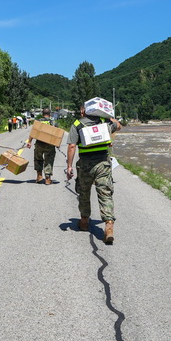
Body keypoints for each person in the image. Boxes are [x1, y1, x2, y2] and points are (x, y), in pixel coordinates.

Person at [66, 103, 122, 243]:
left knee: (84, 192)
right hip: (102, 163)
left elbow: (72, 146)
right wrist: (107, 116)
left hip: (85, 164)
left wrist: (69, 166)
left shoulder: (77, 124)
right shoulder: (104, 122)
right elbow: (119, 125)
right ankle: (109, 226)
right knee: (105, 194)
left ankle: (84, 221)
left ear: (83, 110)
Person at [25, 109, 58, 185]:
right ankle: (47, 179)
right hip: (50, 144)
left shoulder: (38, 122)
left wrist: (29, 141)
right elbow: (57, 134)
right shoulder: (53, 122)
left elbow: (33, 132)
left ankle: (39, 176)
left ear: (42, 114)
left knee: (38, 159)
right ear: (50, 114)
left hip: (39, 143)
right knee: (49, 160)